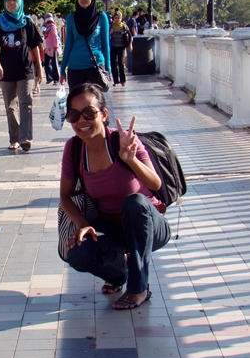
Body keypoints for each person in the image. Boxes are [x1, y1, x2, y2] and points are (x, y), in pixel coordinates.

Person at [59, 83, 171, 310]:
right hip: (111, 226)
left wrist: (130, 159)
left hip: (148, 224)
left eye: (89, 113)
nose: (82, 121)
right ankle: (119, 274)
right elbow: (65, 196)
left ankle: (139, 288)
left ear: (104, 114)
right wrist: (82, 224)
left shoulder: (123, 140)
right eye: (74, 115)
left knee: (135, 202)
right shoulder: (74, 148)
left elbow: (155, 183)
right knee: (78, 253)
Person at [0, 0, 43, 152]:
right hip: (6, 70)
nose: (11, 3)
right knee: (10, 105)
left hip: (25, 69)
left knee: (26, 102)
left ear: (19, 3)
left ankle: (25, 138)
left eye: (15, 0)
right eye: (9, 0)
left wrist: (39, 69)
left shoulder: (27, 22)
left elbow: (35, 47)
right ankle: (14, 138)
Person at [59, 0, 110, 91]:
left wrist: (108, 69)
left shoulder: (101, 17)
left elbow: (105, 44)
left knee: (92, 103)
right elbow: (68, 44)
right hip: (75, 66)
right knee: (77, 103)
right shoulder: (72, 18)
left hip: (94, 66)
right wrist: (62, 69)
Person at [110, 11, 133, 87]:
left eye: (118, 18)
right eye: (115, 18)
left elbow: (129, 36)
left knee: (121, 63)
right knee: (113, 64)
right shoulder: (111, 26)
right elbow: (106, 36)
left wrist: (130, 45)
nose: (116, 19)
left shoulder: (124, 26)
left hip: (121, 47)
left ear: (121, 18)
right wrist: (110, 32)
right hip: (113, 47)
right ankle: (116, 81)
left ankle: (123, 80)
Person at [42, 12, 61, 85]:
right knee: (46, 63)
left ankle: (56, 79)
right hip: (47, 48)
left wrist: (56, 46)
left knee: (54, 63)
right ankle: (49, 77)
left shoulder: (52, 26)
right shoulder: (46, 27)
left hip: (53, 47)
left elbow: (55, 36)